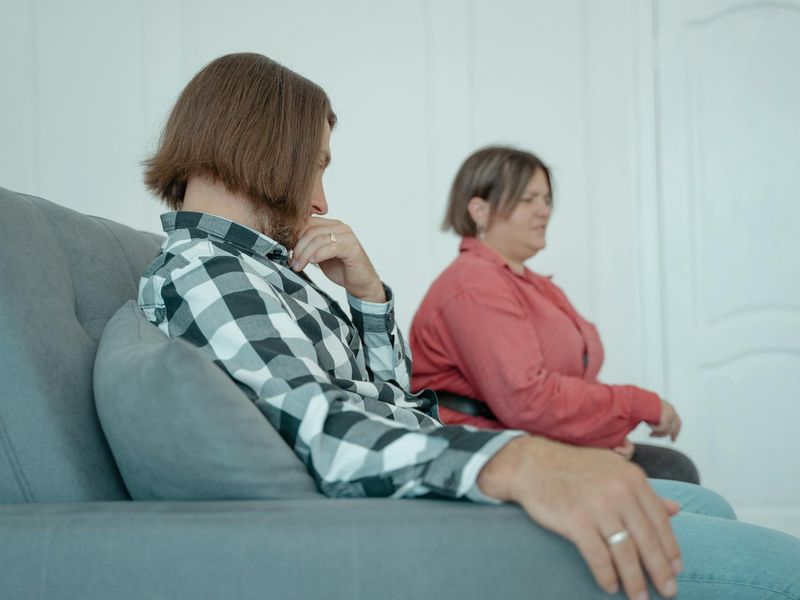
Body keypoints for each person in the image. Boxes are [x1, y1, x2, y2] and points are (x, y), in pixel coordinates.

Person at [138, 52, 800, 600]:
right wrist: (520, 459)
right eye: (317, 166)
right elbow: (325, 433)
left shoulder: (262, 269)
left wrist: (369, 297)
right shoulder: (214, 273)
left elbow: (390, 402)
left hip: (432, 484)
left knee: (703, 507)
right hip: (420, 519)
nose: (321, 200)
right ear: (264, 149)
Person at [409, 147, 697, 483]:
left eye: (546, 199)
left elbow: (565, 386)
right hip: (492, 453)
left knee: (674, 470)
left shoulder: (529, 284)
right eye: (528, 199)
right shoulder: (474, 284)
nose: (544, 211)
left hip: (535, 437)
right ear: (479, 210)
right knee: (675, 474)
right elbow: (527, 400)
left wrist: (598, 433)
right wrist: (636, 404)